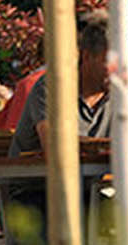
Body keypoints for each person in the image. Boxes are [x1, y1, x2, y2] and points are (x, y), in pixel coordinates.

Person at [9, 18, 112, 157]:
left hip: (91, 177)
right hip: (37, 177)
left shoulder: (124, 95)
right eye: (111, 61)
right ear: (87, 56)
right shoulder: (54, 87)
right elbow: (54, 147)